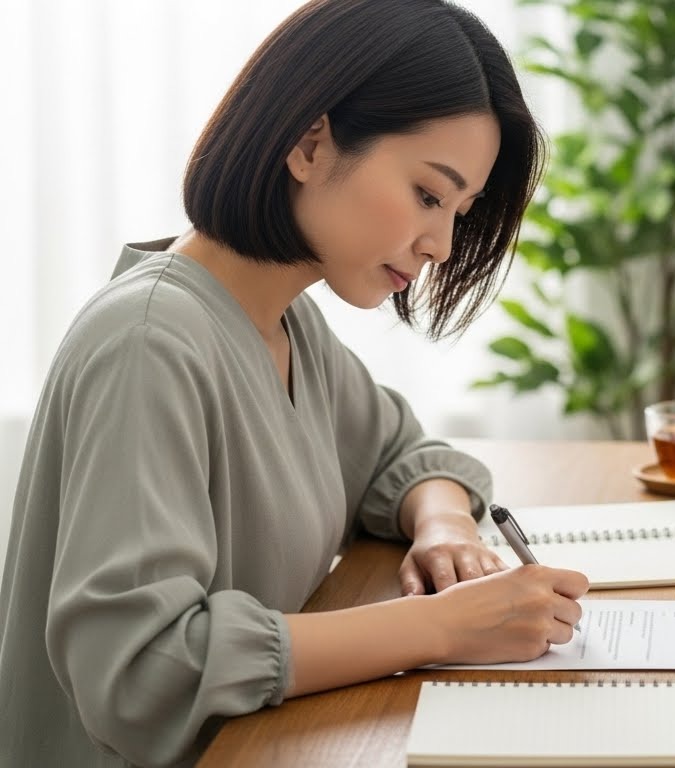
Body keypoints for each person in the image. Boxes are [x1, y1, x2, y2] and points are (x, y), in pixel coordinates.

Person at [0, 1, 589, 765]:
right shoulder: (149, 342)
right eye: (427, 194)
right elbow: (140, 670)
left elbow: (403, 457)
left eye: (459, 211)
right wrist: (443, 626)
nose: (440, 244)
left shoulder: (283, 324)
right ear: (310, 144)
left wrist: (442, 526)